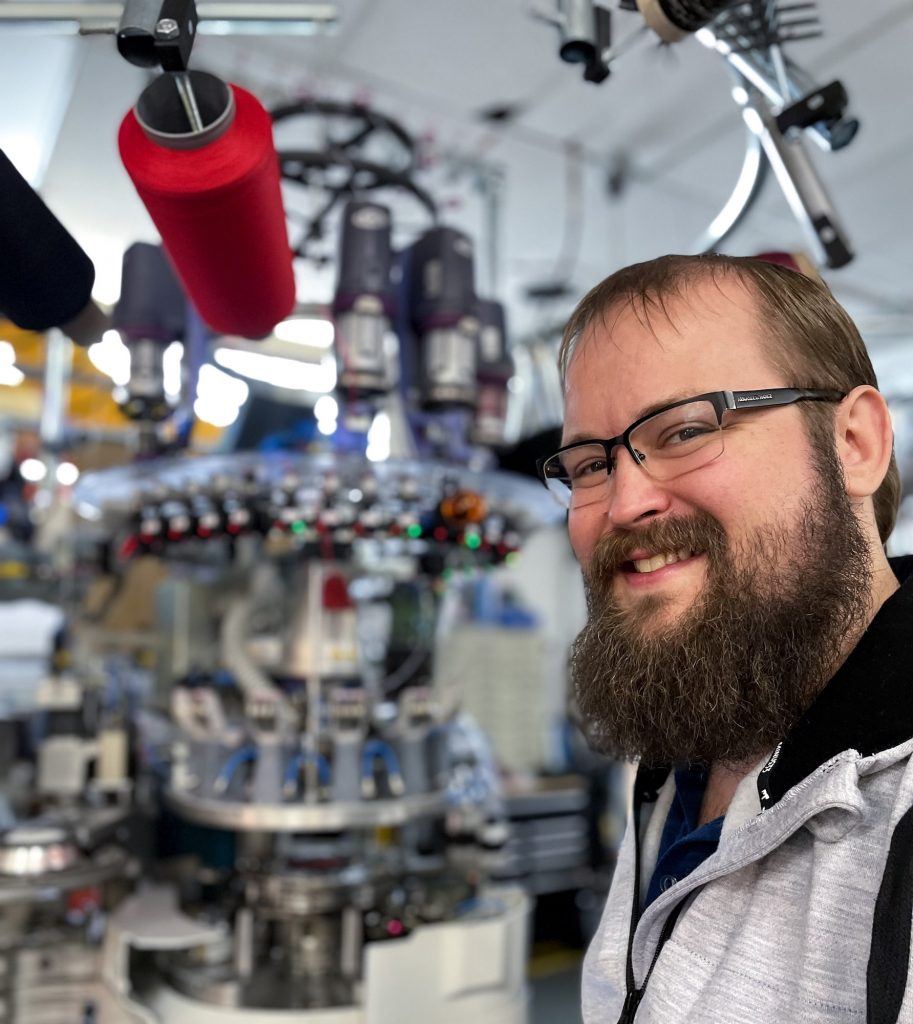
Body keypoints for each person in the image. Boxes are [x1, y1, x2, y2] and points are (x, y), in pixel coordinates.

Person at [537, 253, 912, 1023]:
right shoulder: (682, 730)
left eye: (683, 429)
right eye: (587, 466)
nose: (622, 503)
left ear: (855, 444)